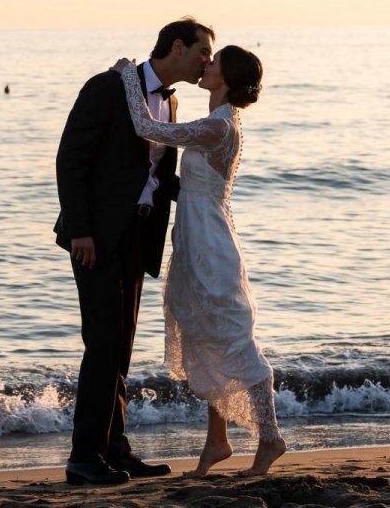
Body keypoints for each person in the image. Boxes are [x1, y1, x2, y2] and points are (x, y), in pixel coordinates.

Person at [110, 45, 286, 477]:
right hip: (194, 237)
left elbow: (145, 127)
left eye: (214, 63)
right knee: (205, 339)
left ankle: (270, 437)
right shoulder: (218, 122)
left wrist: (128, 76)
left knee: (233, 340)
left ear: (224, 78)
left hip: (211, 244)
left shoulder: (218, 125)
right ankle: (217, 442)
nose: (206, 66)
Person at [54, 17, 215, 485]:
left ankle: (114, 449)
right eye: (204, 51)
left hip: (137, 236)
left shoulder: (171, 102)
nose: (207, 60)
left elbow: (156, 176)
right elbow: (71, 158)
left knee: (120, 348)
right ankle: (84, 457)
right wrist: (81, 229)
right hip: (96, 238)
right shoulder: (107, 86)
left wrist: (204, 195)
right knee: (103, 345)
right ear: (179, 47)